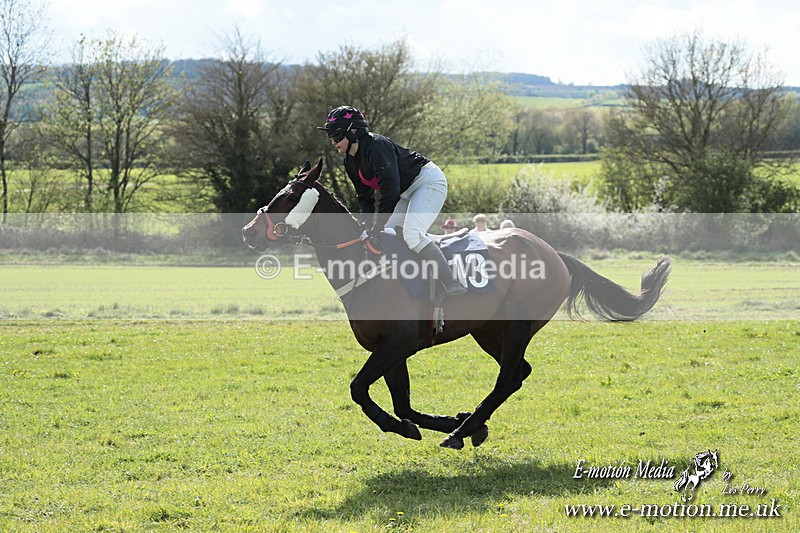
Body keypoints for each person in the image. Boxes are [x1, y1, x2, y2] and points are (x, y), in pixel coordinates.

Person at [318, 105, 466, 298]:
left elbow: (391, 192)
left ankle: (450, 282)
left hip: (427, 182)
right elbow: (364, 197)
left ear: (354, 132)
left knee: (412, 234)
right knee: (388, 235)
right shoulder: (350, 161)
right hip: (405, 192)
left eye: (337, 137)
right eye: (332, 138)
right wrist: (366, 225)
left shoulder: (376, 147)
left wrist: (377, 225)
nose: (334, 143)